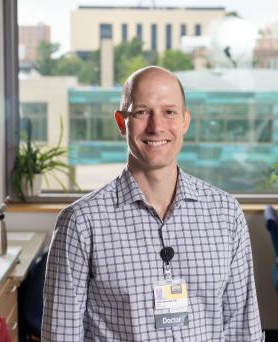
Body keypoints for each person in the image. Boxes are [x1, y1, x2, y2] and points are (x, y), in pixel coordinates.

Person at [42, 66, 263, 341]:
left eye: (169, 112)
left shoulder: (226, 214)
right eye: (141, 112)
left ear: (185, 121)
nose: (156, 126)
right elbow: (61, 335)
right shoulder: (81, 222)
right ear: (121, 122)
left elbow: (243, 330)